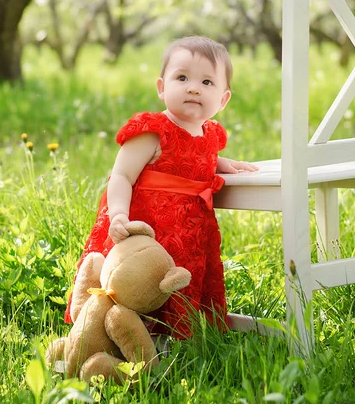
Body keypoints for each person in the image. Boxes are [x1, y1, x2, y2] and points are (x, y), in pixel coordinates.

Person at [65, 36, 258, 338]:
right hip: (148, 229)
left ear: (223, 99)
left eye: (207, 82)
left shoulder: (209, 135)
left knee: (182, 283)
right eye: (182, 77)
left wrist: (220, 162)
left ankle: (178, 340)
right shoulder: (152, 132)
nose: (193, 87)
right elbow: (121, 176)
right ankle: (120, 336)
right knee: (141, 284)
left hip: (191, 231)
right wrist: (118, 215)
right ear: (161, 87)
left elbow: (195, 155)